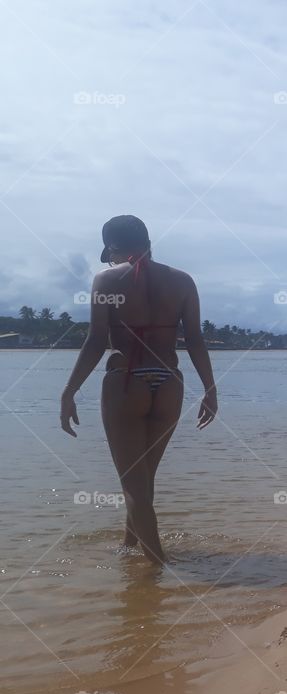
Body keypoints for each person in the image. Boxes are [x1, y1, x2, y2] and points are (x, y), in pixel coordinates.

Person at [60, 215, 217, 564]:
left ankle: (157, 571)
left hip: (126, 383)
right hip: (169, 384)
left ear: (114, 248)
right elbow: (194, 340)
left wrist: (69, 391)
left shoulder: (106, 281)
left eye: (110, 253)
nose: (110, 260)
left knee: (133, 485)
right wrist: (210, 389)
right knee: (143, 479)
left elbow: (97, 340)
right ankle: (130, 547)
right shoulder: (183, 282)